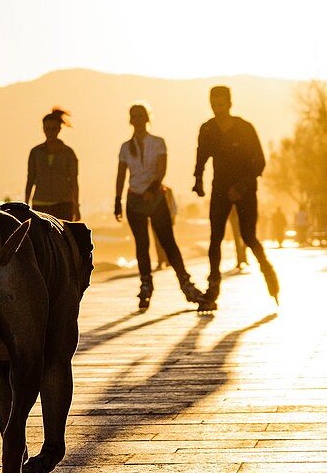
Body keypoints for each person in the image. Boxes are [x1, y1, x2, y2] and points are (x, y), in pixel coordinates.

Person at [193, 86, 279, 310]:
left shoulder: (244, 128)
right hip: (220, 188)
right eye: (214, 104)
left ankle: (268, 272)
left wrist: (241, 187)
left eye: (221, 104)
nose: (218, 109)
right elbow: (201, 156)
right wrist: (198, 180)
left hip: (246, 189)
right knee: (216, 237)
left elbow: (259, 162)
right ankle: (213, 287)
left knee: (249, 236)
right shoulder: (208, 129)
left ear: (229, 104)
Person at [115, 104, 203, 310]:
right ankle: (146, 284)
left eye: (140, 116)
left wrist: (153, 189)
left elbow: (162, 169)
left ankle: (186, 283)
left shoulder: (158, 143)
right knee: (142, 244)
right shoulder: (125, 147)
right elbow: (121, 174)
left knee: (168, 242)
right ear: (130, 120)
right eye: (133, 116)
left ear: (147, 118)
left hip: (155, 197)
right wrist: (117, 199)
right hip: (134, 198)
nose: (137, 119)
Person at [25, 109, 80, 221]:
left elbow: (74, 181)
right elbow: (30, 179)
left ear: (59, 129)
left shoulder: (68, 153)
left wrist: (76, 206)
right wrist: (25, 204)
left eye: (53, 129)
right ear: (43, 129)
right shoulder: (35, 152)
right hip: (40, 204)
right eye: (47, 128)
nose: (50, 132)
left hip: (63, 204)